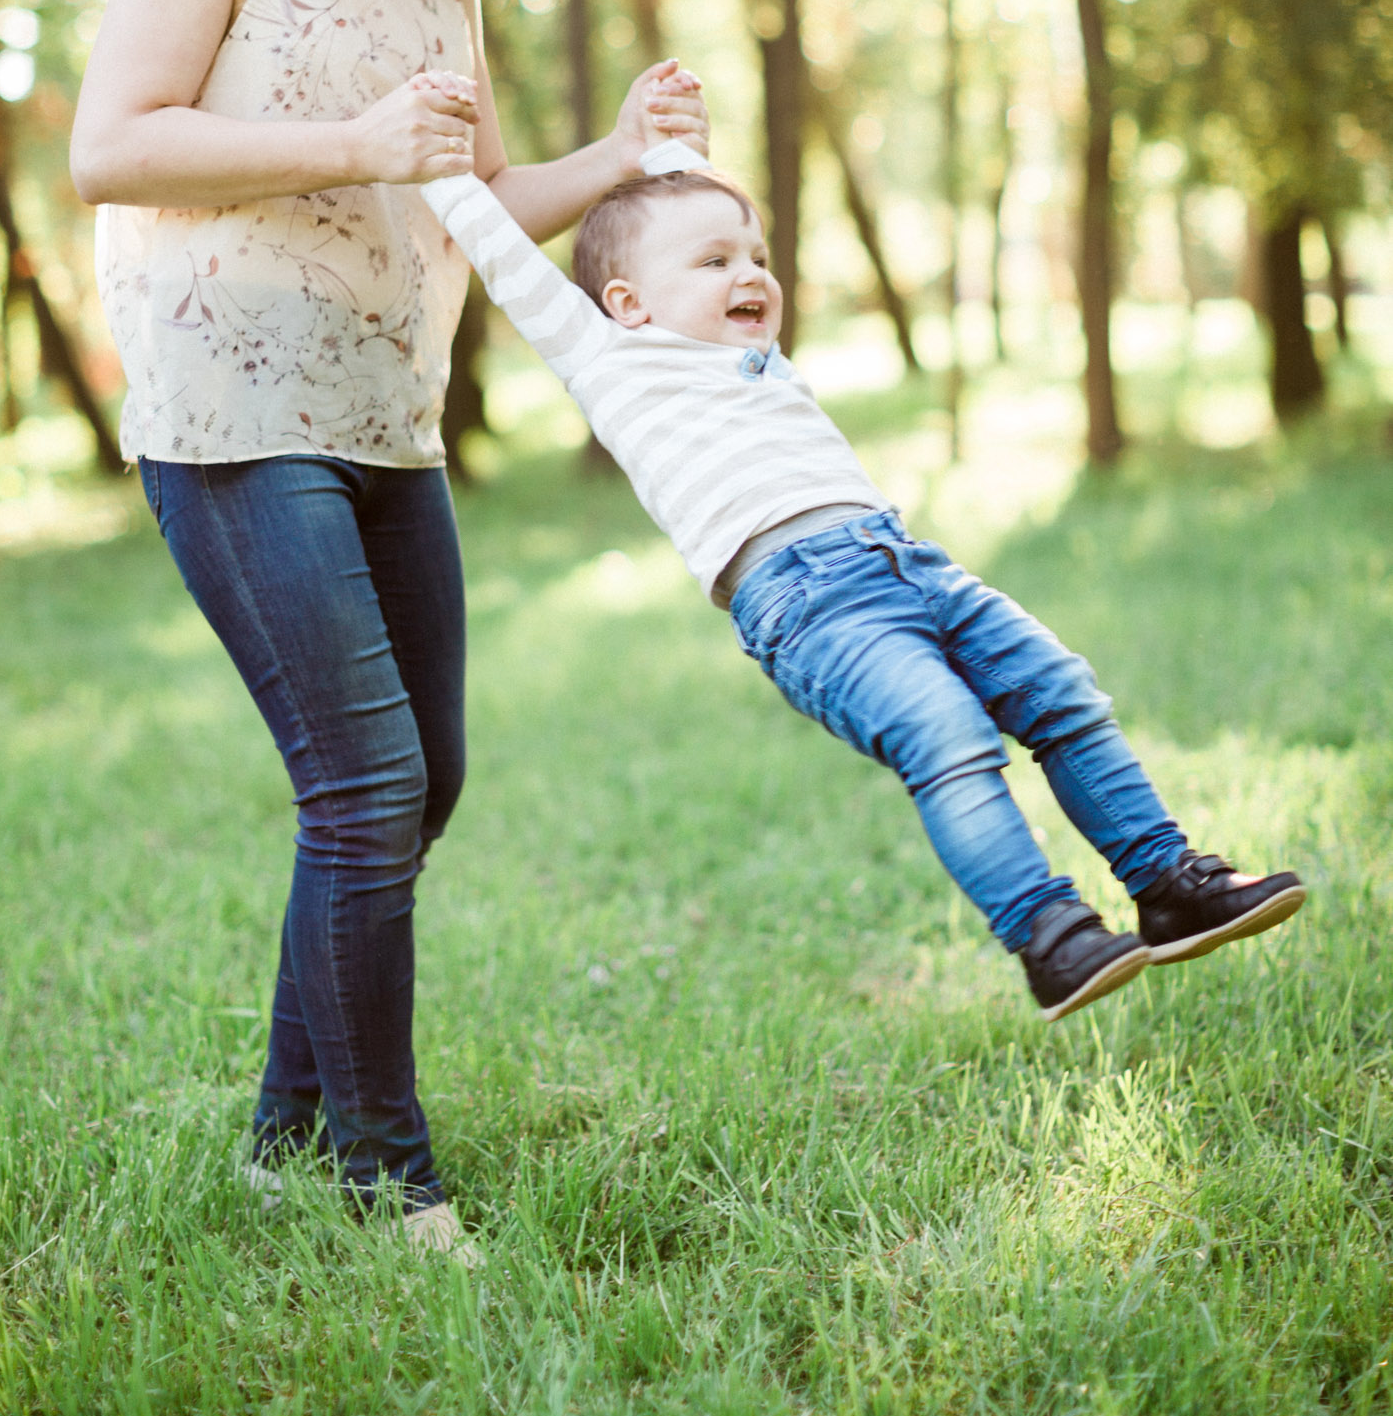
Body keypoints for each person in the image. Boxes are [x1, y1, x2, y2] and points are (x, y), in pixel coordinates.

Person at [69, 0, 708, 1253]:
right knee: (363, 783)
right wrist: (352, 139)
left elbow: (468, 196)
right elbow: (110, 146)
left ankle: (285, 1138)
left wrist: (620, 155)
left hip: (387, 416)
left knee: (422, 783)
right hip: (232, 414)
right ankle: (384, 1175)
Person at [415, 119, 1306, 1023]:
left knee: (1060, 690)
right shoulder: (608, 357)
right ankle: (1050, 934)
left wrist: (669, 140)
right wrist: (434, 169)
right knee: (947, 733)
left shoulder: (755, 359)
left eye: (757, 257)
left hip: (910, 562)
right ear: (627, 302)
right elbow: (505, 258)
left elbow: (701, 207)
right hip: (807, 606)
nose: (750, 274)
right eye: (715, 263)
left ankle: (1167, 883)